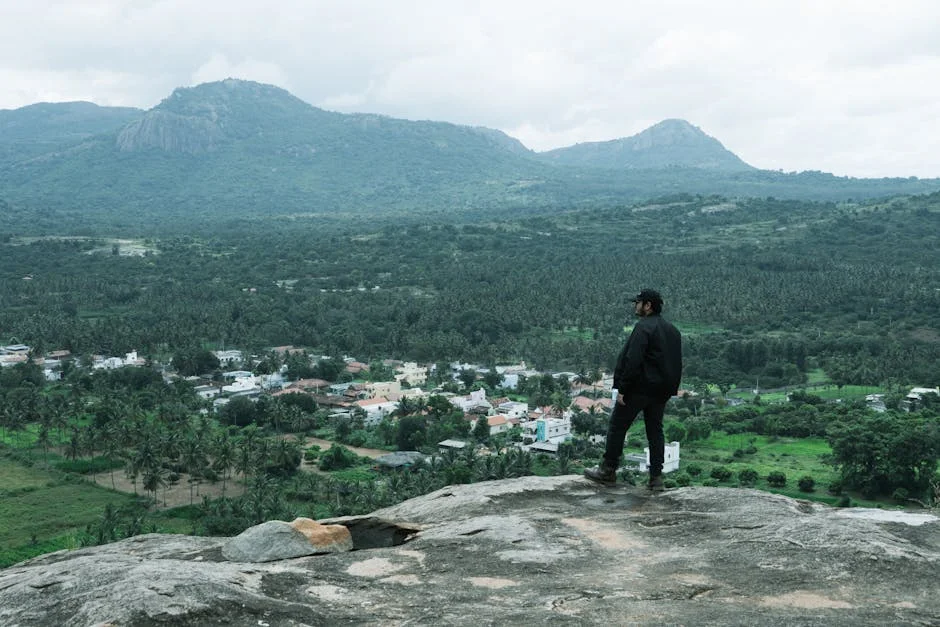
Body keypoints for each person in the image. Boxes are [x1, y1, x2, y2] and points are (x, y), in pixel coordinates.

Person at [584, 289, 682, 491]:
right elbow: (677, 363)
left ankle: (608, 471)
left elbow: (633, 359)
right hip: (660, 392)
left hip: (638, 389)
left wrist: (623, 388)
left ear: (648, 305)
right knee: (655, 431)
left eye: (637, 302)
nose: (635, 306)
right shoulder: (672, 330)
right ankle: (656, 478)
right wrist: (670, 390)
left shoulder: (643, 327)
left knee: (617, 426)